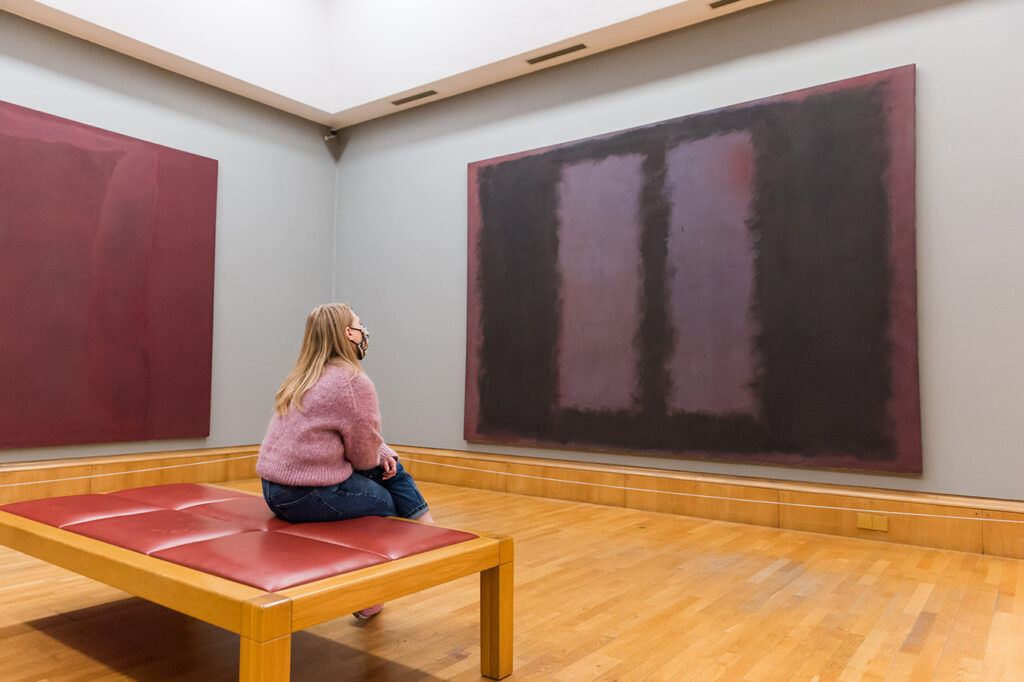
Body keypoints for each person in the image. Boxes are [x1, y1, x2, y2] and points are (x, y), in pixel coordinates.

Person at [256, 302, 433, 620]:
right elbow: (365, 457)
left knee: (388, 463)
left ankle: (431, 534)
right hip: (306, 493)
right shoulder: (353, 381)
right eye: (359, 324)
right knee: (388, 505)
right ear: (347, 334)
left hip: (274, 491)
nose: (364, 331)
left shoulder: (304, 376)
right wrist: (381, 453)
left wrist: (380, 451)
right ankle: (380, 586)